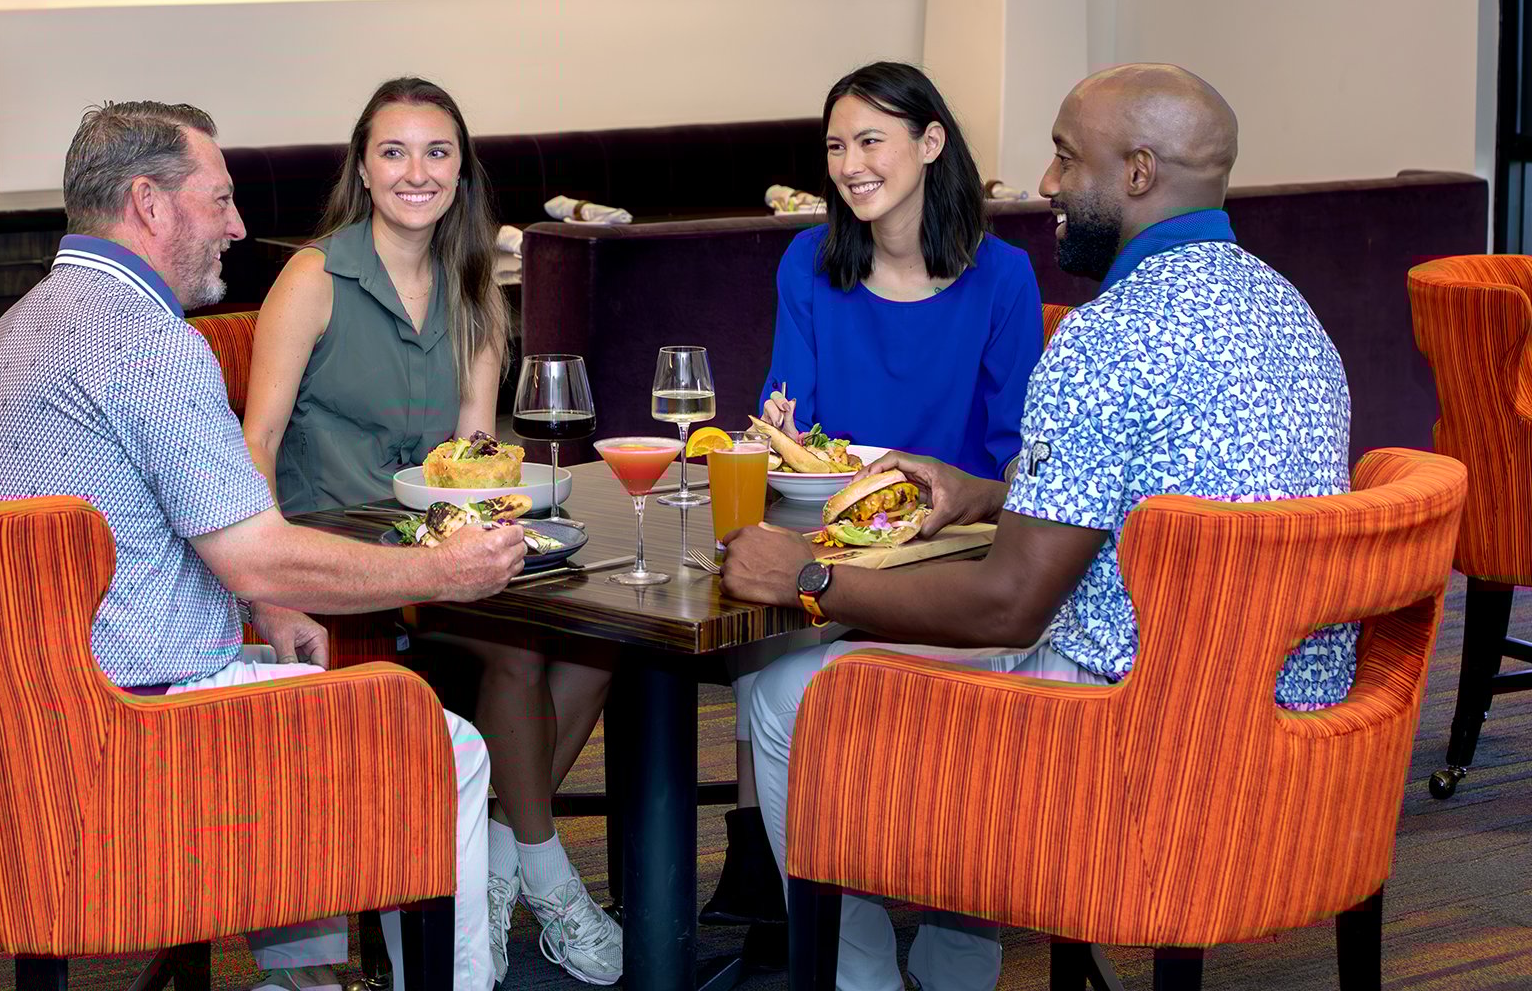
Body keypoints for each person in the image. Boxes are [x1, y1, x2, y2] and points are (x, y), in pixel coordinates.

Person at [719, 64, 1357, 991]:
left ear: (1138, 173)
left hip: (1136, 722)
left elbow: (1010, 606)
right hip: (1300, 733)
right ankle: (954, 964)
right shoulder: (1291, 312)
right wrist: (984, 495)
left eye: (1065, 157)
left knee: (787, 694)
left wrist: (808, 581)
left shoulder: (1108, 336)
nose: (1047, 183)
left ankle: (859, 979)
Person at [0, 100, 525, 991]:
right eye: (219, 200)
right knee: (438, 745)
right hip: (134, 723)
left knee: (299, 690)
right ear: (149, 203)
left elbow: (201, 538)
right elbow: (254, 551)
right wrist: (440, 570)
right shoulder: (146, 341)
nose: (238, 226)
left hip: (23, 713)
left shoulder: (26, 321)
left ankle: (305, 980)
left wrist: (267, 602)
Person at [242, 78, 622, 986]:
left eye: (437, 152)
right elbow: (254, 443)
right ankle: (548, 877)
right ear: (364, 169)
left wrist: (497, 538)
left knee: (602, 638)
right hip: (336, 559)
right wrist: (266, 584)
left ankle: (495, 864)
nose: (417, 172)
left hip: (439, 549)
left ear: (462, 170)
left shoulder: (476, 288)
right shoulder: (314, 277)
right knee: (519, 652)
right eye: (395, 152)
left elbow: (476, 456)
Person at [704, 62, 1041, 939]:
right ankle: (819, 922)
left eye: (870, 141)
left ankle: (921, 915)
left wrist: (949, 502)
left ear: (930, 144)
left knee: (777, 673)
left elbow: (1015, 459)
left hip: (952, 555)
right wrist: (780, 431)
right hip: (832, 540)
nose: (850, 165)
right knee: (762, 655)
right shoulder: (809, 264)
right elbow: (796, 422)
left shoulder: (1003, 278)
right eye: (835, 146)